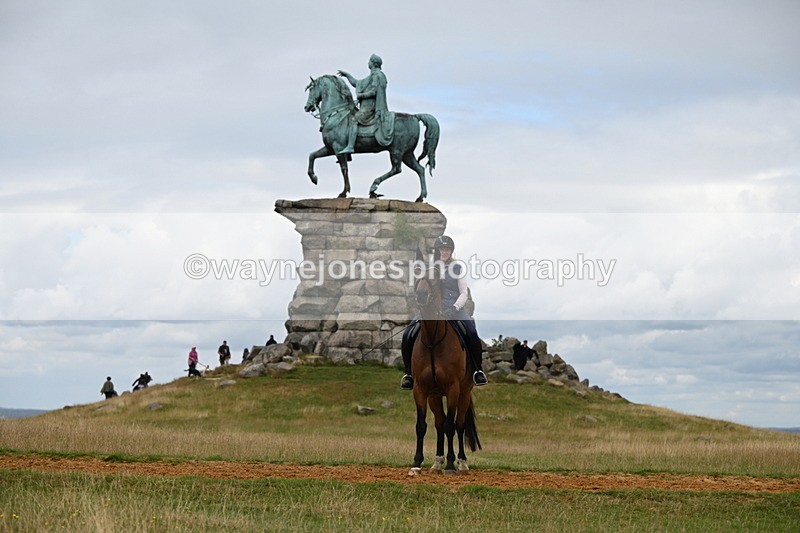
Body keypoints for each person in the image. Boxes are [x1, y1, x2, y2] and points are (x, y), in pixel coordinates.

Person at [400, 235, 488, 390]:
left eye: (447, 249)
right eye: (442, 249)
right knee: (408, 333)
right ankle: (409, 374)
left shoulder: (457, 268)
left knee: (472, 331)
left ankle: (477, 370)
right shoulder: (431, 268)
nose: (444, 252)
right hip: (433, 310)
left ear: (451, 251)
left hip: (455, 309)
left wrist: (454, 308)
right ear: (437, 251)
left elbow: (463, 293)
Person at [337, 53, 395, 154]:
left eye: (369, 61)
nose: (368, 62)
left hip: (370, 108)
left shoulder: (377, 75)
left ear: (373, 63)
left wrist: (361, 96)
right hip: (366, 107)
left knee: (353, 119)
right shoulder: (372, 76)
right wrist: (347, 75)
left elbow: (374, 91)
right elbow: (357, 83)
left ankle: (350, 146)